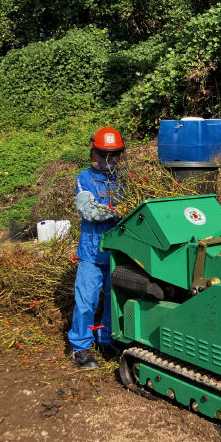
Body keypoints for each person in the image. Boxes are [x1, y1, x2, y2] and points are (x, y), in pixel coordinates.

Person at [69, 126, 125, 369]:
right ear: (94, 153)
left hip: (117, 252)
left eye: (114, 155)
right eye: (104, 154)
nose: (109, 160)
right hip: (92, 252)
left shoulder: (124, 178)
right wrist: (117, 210)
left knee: (114, 300)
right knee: (87, 301)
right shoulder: (84, 179)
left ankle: (105, 339)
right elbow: (88, 211)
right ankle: (81, 347)